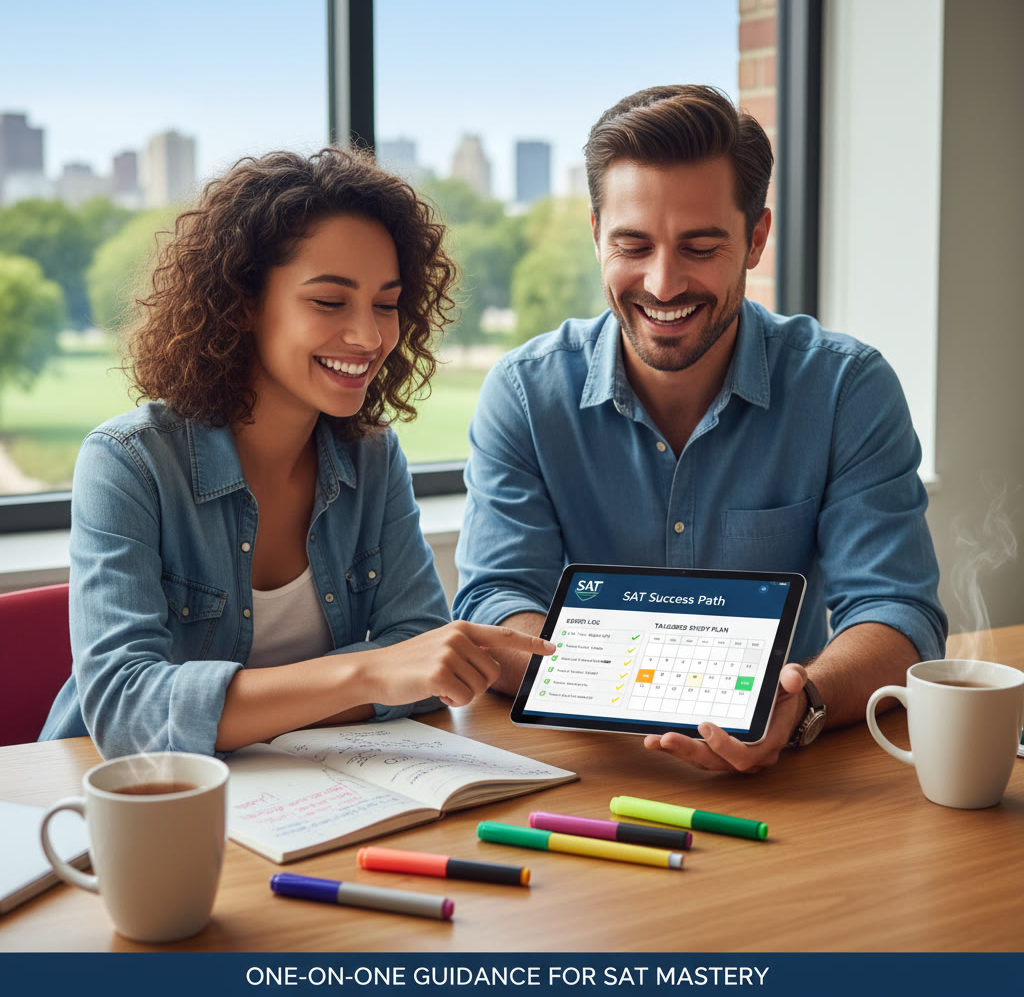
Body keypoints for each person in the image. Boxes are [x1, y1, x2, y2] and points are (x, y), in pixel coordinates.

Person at [453, 85, 946, 773]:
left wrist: (801, 703)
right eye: (633, 244)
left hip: (792, 776)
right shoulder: (525, 394)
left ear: (756, 239)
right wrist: (639, 691)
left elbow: (897, 613)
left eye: (700, 246)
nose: (662, 284)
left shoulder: (846, 389)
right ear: (596, 235)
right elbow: (495, 602)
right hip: (586, 767)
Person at [41, 147, 552, 759]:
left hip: (310, 789)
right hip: (125, 796)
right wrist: (369, 673)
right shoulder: (129, 463)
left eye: (386, 304)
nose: (369, 336)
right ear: (242, 303)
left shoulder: (372, 456)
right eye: (330, 302)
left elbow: (423, 659)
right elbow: (128, 712)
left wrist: (374, 677)